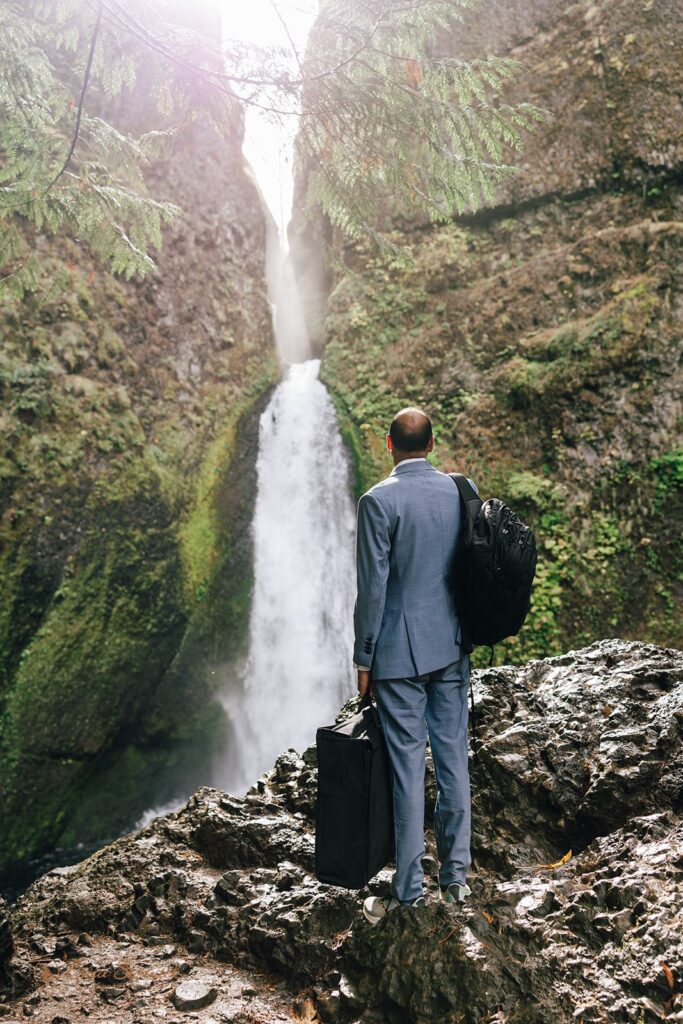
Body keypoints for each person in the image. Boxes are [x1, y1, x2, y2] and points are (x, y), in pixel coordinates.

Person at [352, 406, 478, 925]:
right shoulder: (457, 490)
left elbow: (373, 589)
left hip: (400, 655)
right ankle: (457, 880)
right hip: (450, 642)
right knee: (453, 758)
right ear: (430, 444)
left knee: (407, 767)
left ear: (388, 444)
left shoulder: (378, 501)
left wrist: (364, 656)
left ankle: (409, 888)